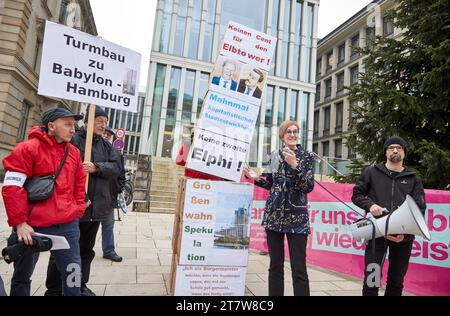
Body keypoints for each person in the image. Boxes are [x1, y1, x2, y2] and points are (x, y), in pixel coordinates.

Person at [1, 108, 86, 296]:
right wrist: (20, 224)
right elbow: (12, 188)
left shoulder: (74, 152)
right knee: (22, 276)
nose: (73, 129)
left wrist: (78, 208)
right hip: (31, 227)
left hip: (67, 226)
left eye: (74, 125)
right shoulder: (27, 148)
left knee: (73, 275)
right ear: (51, 126)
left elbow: (79, 183)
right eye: (68, 124)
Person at [44, 106, 121, 296]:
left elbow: (116, 168)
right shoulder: (74, 141)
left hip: (94, 209)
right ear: (87, 122)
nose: (103, 126)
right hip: (72, 208)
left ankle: (79, 284)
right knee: (62, 250)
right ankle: (54, 289)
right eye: (99, 121)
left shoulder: (106, 146)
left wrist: (96, 167)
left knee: (85, 251)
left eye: (105, 122)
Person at [244, 121, 315, 296]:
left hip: (297, 218)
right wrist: (255, 177)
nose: (292, 134)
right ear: (282, 136)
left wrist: (295, 165)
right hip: (274, 217)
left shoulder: (307, 156)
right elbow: (270, 183)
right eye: (288, 132)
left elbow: (308, 186)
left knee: (299, 267)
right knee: (275, 265)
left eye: (295, 131)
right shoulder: (275, 155)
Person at [352, 136, 426, 296]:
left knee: (396, 282)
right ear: (385, 151)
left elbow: (420, 208)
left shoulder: (413, 178)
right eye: (391, 147)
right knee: (372, 280)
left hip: (403, 239)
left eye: (399, 148)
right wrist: (370, 205)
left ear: (404, 153)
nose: (395, 150)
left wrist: (404, 234)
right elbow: (356, 195)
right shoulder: (371, 172)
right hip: (376, 236)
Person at [100, 126, 125, 262]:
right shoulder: (92, 149)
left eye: (109, 134)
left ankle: (109, 250)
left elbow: (121, 172)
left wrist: (119, 187)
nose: (106, 136)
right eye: (104, 133)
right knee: (85, 227)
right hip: (93, 195)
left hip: (109, 195)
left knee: (108, 224)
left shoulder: (114, 151)